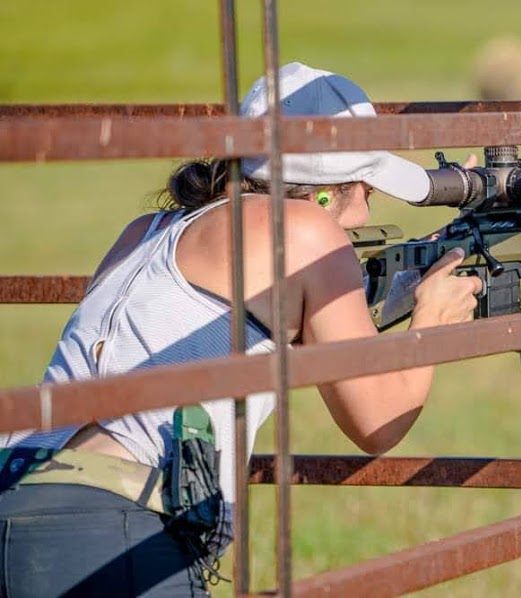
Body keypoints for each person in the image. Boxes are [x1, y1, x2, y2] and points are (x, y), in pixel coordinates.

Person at [0, 62, 483, 597]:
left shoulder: (150, 229)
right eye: (368, 188)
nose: (370, 208)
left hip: (15, 496)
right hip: (113, 529)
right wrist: (432, 324)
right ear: (327, 193)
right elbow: (379, 421)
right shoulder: (306, 233)